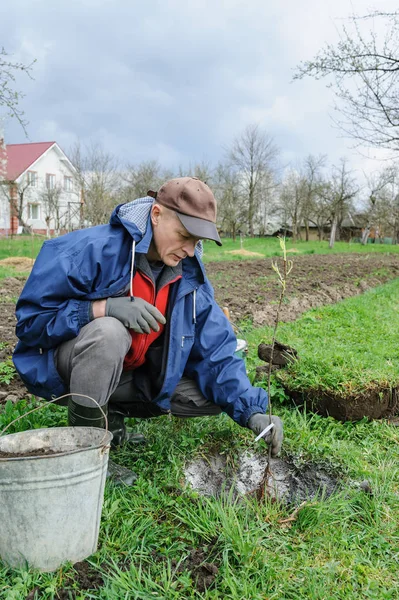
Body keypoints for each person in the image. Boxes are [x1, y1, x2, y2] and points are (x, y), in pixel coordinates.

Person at [13, 177, 283, 484]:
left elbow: (216, 350)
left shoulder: (188, 277)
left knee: (211, 395)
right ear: (156, 215)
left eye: (198, 242)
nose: (190, 251)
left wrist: (252, 411)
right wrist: (101, 309)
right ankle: (86, 455)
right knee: (109, 334)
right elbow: (31, 323)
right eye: (184, 236)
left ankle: (111, 423)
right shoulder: (91, 251)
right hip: (68, 369)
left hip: (132, 374)